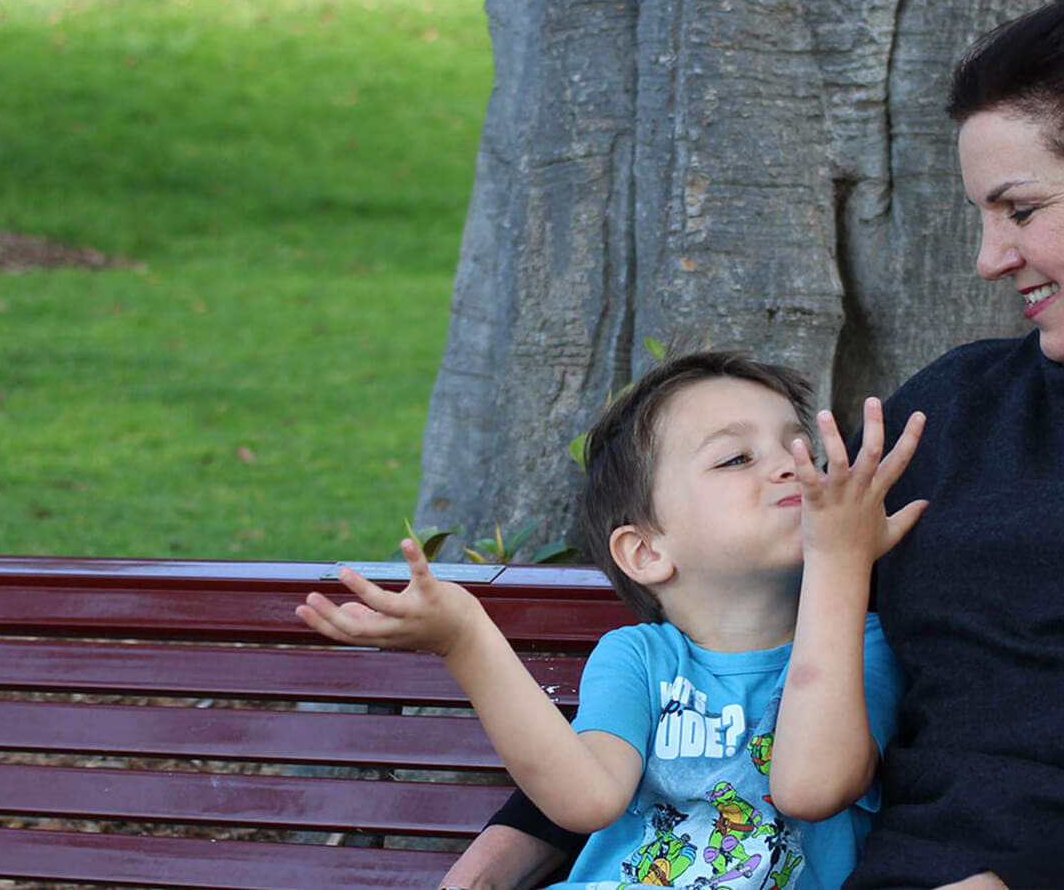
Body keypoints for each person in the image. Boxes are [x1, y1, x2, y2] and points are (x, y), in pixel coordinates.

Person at [442, 0, 1064, 888]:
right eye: (981, 214)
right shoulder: (953, 405)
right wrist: (506, 852)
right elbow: (747, 646)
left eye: (1022, 209)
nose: (987, 257)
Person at [297, 350, 928, 889]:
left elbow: (810, 788)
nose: (792, 464)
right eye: (736, 458)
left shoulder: (861, 643)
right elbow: (588, 799)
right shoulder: (636, 659)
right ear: (647, 552)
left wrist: (838, 564)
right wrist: (467, 640)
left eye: (800, 445)